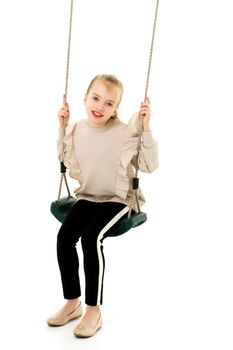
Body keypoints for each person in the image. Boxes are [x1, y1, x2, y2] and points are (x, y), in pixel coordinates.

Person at [47, 74, 159, 338]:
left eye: (109, 103)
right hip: (88, 196)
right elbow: (63, 156)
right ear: (85, 98)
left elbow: (149, 165)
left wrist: (147, 128)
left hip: (118, 199)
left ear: (116, 108)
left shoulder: (125, 132)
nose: (100, 106)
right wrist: (61, 127)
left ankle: (93, 309)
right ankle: (72, 302)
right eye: (96, 98)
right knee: (64, 238)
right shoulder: (76, 129)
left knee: (90, 238)